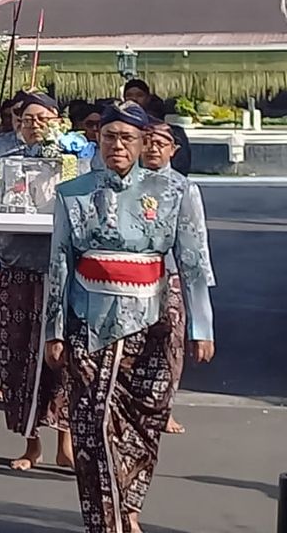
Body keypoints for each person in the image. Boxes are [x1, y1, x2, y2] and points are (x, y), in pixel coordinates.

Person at [44, 102, 216, 533]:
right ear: (97, 139)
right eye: (109, 136)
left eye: (127, 138)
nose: (117, 145)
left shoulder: (176, 192)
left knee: (144, 422)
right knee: (94, 425)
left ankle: (128, 506)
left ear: (142, 143)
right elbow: (60, 264)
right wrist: (54, 330)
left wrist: (201, 326)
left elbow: (194, 264)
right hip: (89, 320)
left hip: (152, 319)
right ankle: (107, 521)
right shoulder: (72, 193)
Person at [0, 91, 74, 471]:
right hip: (17, 266)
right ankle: (31, 443)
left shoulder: (72, 159)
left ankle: (66, 441)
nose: (34, 126)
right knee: (19, 356)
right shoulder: (4, 159)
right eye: (27, 119)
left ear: (57, 121)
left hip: (60, 269)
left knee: (61, 355)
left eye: (43, 119)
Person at [141, 119, 194, 435]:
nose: (152, 148)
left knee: (169, 346)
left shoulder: (182, 188)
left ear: (173, 149)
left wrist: (203, 322)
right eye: (146, 141)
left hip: (168, 275)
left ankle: (164, 408)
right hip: (131, 277)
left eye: (160, 143)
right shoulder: (126, 182)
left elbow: (195, 253)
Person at [123, 80, 191, 175]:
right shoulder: (119, 128)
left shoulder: (170, 130)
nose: (134, 99)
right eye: (129, 95)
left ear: (148, 98)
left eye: (139, 95)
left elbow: (181, 164)